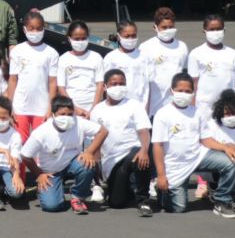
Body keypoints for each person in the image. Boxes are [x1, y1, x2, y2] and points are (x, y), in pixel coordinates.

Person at [151, 73, 235, 218]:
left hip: (198, 156)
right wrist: (161, 175)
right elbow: (158, 146)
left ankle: (222, 201)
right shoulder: (163, 114)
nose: (184, 94)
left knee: (229, 161)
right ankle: (163, 192)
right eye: (180, 90)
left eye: (188, 91)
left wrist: (225, 147)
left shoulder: (197, 112)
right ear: (171, 91)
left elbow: (206, 139)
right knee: (179, 208)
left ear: (193, 93)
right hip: (175, 164)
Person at [20, 95, 106, 214]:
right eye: (62, 114)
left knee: (87, 164)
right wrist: (39, 174)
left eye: (70, 114)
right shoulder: (41, 132)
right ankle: (51, 190)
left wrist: (89, 152)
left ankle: (77, 197)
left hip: (73, 163)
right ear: (53, 114)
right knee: (52, 206)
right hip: (50, 172)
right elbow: (25, 155)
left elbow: (103, 131)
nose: (67, 117)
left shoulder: (78, 122)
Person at [88, 68, 154, 215]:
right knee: (116, 203)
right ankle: (127, 189)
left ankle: (144, 201)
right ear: (105, 87)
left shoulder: (134, 105)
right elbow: (96, 142)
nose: (118, 87)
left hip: (132, 152)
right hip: (111, 161)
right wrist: (98, 172)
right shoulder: (97, 110)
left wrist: (144, 149)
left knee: (141, 159)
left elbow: (144, 131)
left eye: (122, 83)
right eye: (114, 84)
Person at [199, 90, 235, 212]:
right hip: (212, 168)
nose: (231, 117)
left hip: (233, 167)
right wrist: (226, 148)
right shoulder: (212, 126)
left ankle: (232, 193)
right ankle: (219, 191)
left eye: (234, 113)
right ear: (220, 113)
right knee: (228, 163)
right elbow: (205, 146)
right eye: (227, 114)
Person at [6, 10, 59, 141]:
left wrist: (50, 108)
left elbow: (52, 83)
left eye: (39, 28)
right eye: (31, 28)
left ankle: (37, 163)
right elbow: (13, 80)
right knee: (21, 141)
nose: (35, 32)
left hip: (42, 107)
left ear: (43, 29)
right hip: (20, 106)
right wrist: (10, 105)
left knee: (39, 142)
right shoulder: (17, 51)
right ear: (24, 29)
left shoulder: (51, 53)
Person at [188, 13, 235, 121]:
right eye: (211, 29)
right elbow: (193, 84)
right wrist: (192, 108)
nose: (215, 32)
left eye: (218, 29)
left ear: (224, 30)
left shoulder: (232, 54)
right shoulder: (196, 54)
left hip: (227, 107)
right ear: (204, 30)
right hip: (204, 107)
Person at [99, 19, 154, 116]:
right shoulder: (111, 58)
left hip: (140, 107)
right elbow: (106, 86)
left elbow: (149, 86)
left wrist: (146, 108)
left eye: (133, 35)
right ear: (119, 37)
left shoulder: (145, 56)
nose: (130, 39)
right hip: (117, 109)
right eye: (127, 36)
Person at [139, 7, 188, 113]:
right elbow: (142, 79)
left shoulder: (182, 47)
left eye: (171, 27)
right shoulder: (146, 47)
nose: (168, 30)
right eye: (164, 27)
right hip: (153, 105)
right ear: (155, 27)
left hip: (176, 103)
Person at [56, 21, 102, 116]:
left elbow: (100, 85)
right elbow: (61, 87)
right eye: (76, 39)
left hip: (93, 107)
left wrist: (94, 109)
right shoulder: (63, 59)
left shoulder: (96, 57)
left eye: (83, 38)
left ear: (88, 38)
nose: (80, 41)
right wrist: (74, 108)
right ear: (69, 39)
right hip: (70, 109)